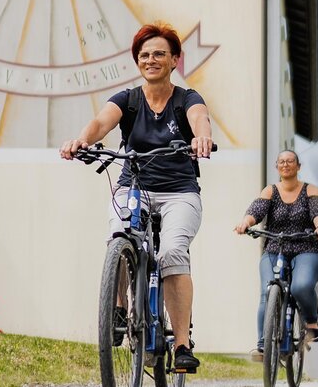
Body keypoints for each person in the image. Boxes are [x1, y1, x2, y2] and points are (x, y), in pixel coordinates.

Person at [60, 21, 214, 371]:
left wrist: (202, 137)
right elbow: (101, 122)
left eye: (160, 53)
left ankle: (182, 345)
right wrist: (81, 140)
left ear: (175, 60)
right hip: (134, 186)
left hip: (179, 192)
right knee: (121, 237)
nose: (151, 59)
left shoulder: (185, 99)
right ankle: (118, 310)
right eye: (144, 55)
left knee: (173, 251)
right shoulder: (127, 100)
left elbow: (200, 118)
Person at [233, 149, 318, 360]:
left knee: (301, 286)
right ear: (277, 167)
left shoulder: (310, 190)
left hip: (307, 247)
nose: (286, 164)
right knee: (268, 292)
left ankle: (311, 322)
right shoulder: (271, 191)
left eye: (290, 161)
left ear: (298, 166)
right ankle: (263, 345)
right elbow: (256, 211)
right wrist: (245, 222)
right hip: (275, 248)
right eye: (282, 162)